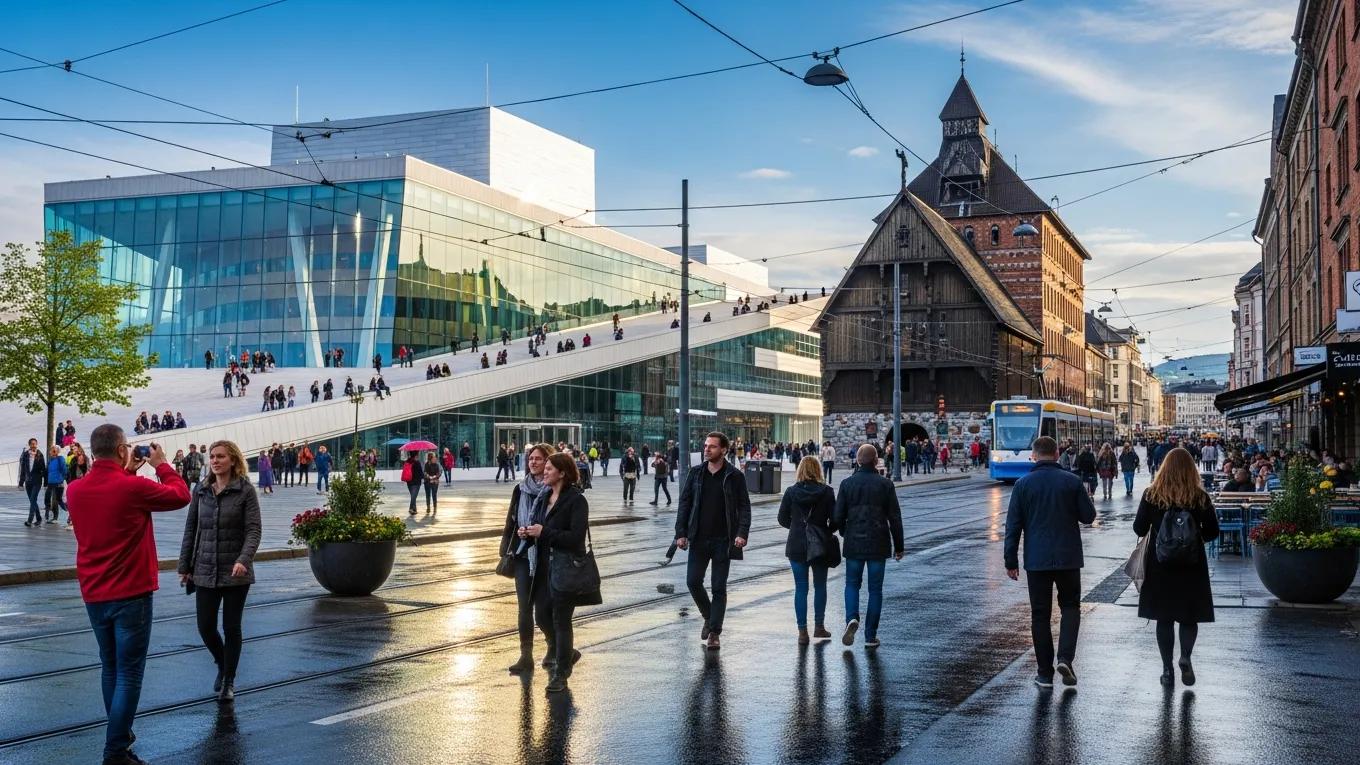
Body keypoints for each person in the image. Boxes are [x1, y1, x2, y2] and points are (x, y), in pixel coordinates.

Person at [67, 426, 190, 765]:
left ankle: (119, 735)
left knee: (110, 666)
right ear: (122, 450)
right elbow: (180, 495)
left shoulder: (75, 490)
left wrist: (127, 473)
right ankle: (115, 750)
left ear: (93, 451)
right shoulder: (133, 487)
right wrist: (162, 464)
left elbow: (108, 505)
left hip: (93, 592)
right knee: (130, 672)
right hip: (131, 592)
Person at [1003, 436, 1096, 688]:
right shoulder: (1072, 481)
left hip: (1037, 560)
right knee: (1070, 608)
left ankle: (1044, 673)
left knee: (1040, 615)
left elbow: (1013, 526)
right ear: (1057, 453)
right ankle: (1065, 658)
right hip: (1068, 557)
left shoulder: (1022, 485)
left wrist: (1010, 560)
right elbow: (1088, 517)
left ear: (1033, 456)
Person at [178, 440, 261, 704]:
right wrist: (184, 567)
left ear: (233, 460)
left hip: (236, 571)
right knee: (205, 627)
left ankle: (228, 681)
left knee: (231, 627)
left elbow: (253, 530)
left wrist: (244, 559)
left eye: (221, 457)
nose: (215, 461)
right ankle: (222, 662)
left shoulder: (245, 490)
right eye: (212, 457)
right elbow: (191, 529)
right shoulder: (201, 490)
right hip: (204, 568)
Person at [1133, 447, 1219, 688]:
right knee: (1189, 616)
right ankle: (1186, 657)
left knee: (1164, 618)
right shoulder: (1199, 496)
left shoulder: (1152, 495)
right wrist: (1193, 538)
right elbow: (1213, 531)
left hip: (1160, 564)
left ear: (1164, 469)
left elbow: (1139, 529)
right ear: (1192, 470)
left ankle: (1167, 669)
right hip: (1191, 564)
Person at [520, 452, 600, 693]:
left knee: (561, 621)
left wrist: (544, 532)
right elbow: (541, 530)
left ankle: (561, 674)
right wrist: (529, 533)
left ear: (563, 473)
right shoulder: (544, 498)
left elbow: (576, 539)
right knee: (542, 617)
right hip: (544, 567)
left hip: (565, 569)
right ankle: (566, 652)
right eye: (545, 468)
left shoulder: (576, 500)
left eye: (549, 469)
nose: (544, 471)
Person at [674, 432, 752, 650]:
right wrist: (680, 532)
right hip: (698, 538)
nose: (706, 449)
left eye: (712, 447)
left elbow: (744, 507)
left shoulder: (734, 476)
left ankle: (714, 634)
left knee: (718, 587)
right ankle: (710, 617)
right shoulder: (696, 473)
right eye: (706, 446)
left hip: (723, 540)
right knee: (693, 582)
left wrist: (741, 533)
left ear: (724, 450)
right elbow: (685, 503)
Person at [833, 444, 904, 648]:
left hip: (854, 543)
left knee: (852, 584)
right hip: (878, 544)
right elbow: (895, 518)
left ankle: (852, 618)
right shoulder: (886, 484)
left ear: (857, 461)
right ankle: (870, 636)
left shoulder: (847, 484)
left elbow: (838, 517)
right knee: (875, 590)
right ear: (876, 461)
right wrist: (899, 546)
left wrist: (845, 532)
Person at [500, 443, 555, 673]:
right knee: (524, 608)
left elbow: (558, 522)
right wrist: (507, 549)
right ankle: (526, 657)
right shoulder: (520, 488)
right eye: (531, 458)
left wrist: (538, 530)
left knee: (542, 611)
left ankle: (555, 646)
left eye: (538, 459)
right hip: (523, 553)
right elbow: (511, 521)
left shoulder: (554, 489)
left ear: (549, 463)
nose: (533, 462)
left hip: (547, 556)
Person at [778, 456, 837, 645]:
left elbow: (781, 518)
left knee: (801, 588)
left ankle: (802, 632)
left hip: (796, 544)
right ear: (818, 470)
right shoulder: (827, 492)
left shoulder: (791, 492)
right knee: (820, 586)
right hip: (819, 544)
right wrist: (823, 531)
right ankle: (819, 626)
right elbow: (835, 519)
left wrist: (797, 527)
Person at [20, 437, 46, 527]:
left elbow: (43, 469)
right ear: (29, 445)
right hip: (28, 481)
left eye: (35, 443)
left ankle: (29, 520)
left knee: (33, 499)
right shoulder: (26, 454)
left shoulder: (40, 454)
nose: (33, 445)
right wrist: (21, 482)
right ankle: (39, 518)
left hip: (37, 481)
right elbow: (23, 469)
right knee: (32, 500)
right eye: (32, 444)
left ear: (37, 444)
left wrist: (45, 482)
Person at [45, 444, 68, 524]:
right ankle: (49, 515)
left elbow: (64, 469)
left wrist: (63, 478)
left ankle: (69, 512)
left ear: (57, 452)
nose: (52, 452)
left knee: (58, 500)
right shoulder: (50, 460)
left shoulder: (60, 459)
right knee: (47, 498)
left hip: (58, 482)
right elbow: (48, 472)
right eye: (51, 450)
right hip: (51, 482)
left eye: (54, 450)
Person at [402, 451, 422, 516]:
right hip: (416, 482)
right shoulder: (417, 462)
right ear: (416, 455)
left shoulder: (407, 462)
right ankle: (411, 508)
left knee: (413, 496)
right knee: (414, 496)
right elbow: (421, 473)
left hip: (409, 482)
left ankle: (414, 509)